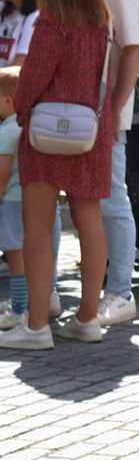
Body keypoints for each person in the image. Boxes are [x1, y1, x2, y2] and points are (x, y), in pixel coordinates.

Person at [0, 0, 115, 349]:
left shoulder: (51, 22)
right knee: (90, 219)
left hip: (46, 131)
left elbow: (32, 79)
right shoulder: (101, 21)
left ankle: (37, 326)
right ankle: (87, 317)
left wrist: (21, 112)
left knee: (36, 226)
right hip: (90, 131)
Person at [59, 0, 139, 328]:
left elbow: (134, 48)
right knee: (84, 201)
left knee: (110, 198)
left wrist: (113, 109)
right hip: (70, 112)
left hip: (101, 113)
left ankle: (121, 291)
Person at [0, 65, 60, 330]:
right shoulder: (33, 126)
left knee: (16, 259)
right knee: (37, 257)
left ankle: (19, 309)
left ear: (8, 100)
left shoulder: (6, 131)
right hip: (39, 201)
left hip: (12, 203)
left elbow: (2, 172)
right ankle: (38, 302)